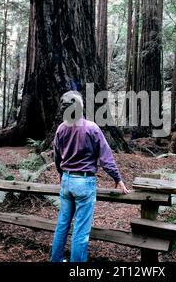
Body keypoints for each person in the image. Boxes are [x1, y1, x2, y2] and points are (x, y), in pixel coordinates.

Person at [51, 91, 129, 263]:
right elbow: (105, 157)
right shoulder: (92, 128)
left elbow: (56, 156)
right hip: (84, 183)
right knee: (80, 230)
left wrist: (61, 174)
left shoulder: (61, 129)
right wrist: (118, 179)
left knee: (62, 226)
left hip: (67, 180)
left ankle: (55, 260)